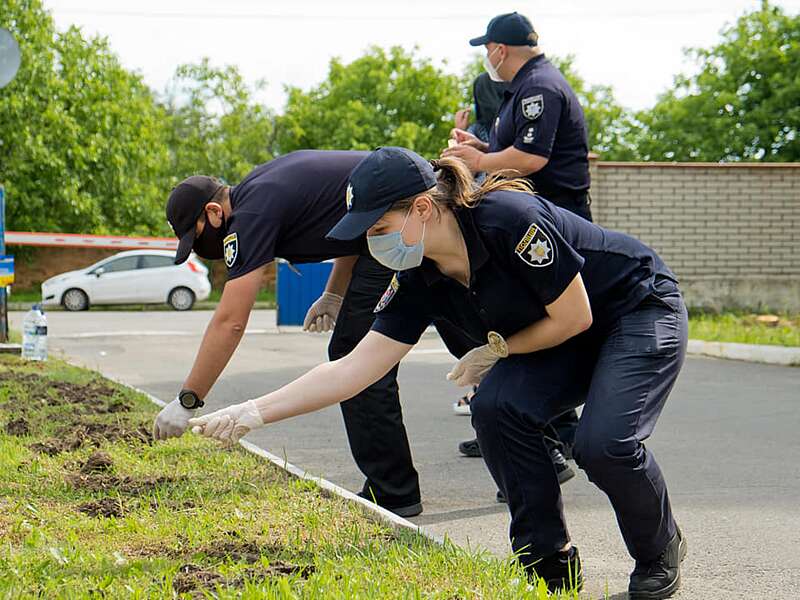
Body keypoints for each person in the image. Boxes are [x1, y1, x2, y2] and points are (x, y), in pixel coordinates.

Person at [189, 147, 689, 599]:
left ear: (422, 209)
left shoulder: (507, 219)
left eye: (379, 229)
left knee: (601, 444)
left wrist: (496, 349)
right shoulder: (418, 277)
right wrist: (254, 412)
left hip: (634, 310)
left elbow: (576, 315)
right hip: (560, 331)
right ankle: (546, 564)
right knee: (495, 409)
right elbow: (354, 369)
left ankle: (658, 549)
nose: (373, 243)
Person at [152, 150, 423, 517]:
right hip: (385, 230)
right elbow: (352, 229)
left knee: (356, 358)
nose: (202, 248)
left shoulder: (249, 215)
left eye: (197, 236)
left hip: (405, 220)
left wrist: (189, 399)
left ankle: (395, 492)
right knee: (463, 335)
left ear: (214, 213)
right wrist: (333, 293)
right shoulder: (258, 191)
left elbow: (230, 320)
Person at [445, 11, 591, 476]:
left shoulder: (539, 88)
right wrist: (478, 146)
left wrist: (480, 157)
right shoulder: (522, 89)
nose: (486, 57)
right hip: (532, 223)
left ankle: (546, 440)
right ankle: (539, 431)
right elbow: (512, 150)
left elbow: (530, 157)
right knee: (529, 324)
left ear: (498, 49)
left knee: (544, 324)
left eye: (486, 48)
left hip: (550, 225)